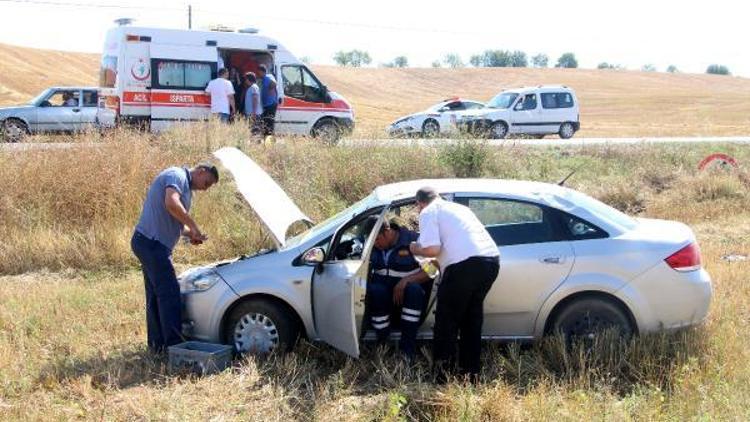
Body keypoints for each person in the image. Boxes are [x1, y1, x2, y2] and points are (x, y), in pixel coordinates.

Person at [408, 187, 500, 382]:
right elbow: (438, 263)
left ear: (419, 204)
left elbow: (432, 249)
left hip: (464, 266)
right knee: (471, 322)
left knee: (446, 323)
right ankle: (470, 376)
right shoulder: (458, 209)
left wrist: (413, 247)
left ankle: (441, 378)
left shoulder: (428, 212)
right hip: (490, 262)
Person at [131, 163, 219, 353]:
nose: (206, 187)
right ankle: (175, 347)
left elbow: (177, 224)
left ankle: (158, 347)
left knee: (156, 296)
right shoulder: (176, 175)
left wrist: (191, 234)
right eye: (208, 182)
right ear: (201, 171)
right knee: (170, 294)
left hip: (149, 244)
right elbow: (171, 203)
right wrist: (193, 225)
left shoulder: (186, 190)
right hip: (151, 244)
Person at [364, 216, 432, 359]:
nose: (375, 245)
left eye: (377, 240)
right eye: (372, 241)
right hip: (385, 305)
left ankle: (407, 350)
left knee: (414, 290)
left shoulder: (413, 242)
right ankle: (383, 345)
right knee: (376, 290)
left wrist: (405, 281)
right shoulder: (372, 247)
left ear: (387, 231)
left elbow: (431, 271)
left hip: (409, 306)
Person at [257, 64, 278, 136]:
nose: (258, 73)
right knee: (266, 122)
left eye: (258, 72)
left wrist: (269, 89)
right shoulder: (264, 79)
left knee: (269, 123)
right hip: (267, 104)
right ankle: (266, 138)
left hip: (270, 104)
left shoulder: (267, 77)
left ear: (262, 71)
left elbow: (274, 83)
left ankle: (269, 139)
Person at [243, 72, 263, 137]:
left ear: (249, 79)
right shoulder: (252, 87)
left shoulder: (254, 87)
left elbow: (255, 99)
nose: (245, 81)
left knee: (255, 131)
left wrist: (254, 112)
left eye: (246, 79)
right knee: (252, 130)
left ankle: (256, 144)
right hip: (252, 113)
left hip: (254, 114)